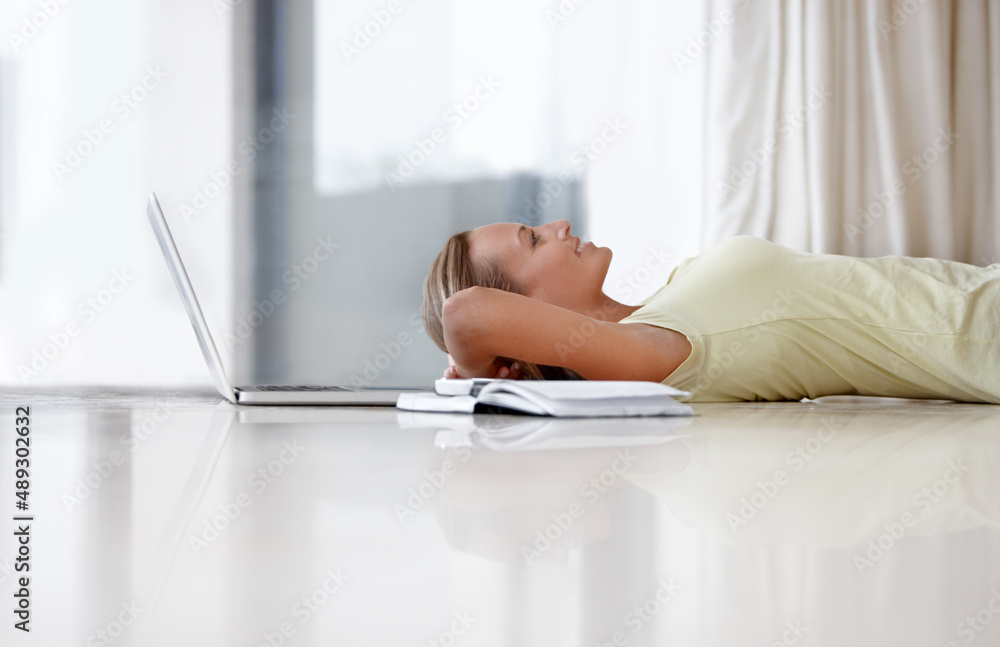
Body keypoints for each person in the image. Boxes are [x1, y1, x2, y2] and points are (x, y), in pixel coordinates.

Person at [422, 219, 1000, 403]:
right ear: (518, 309)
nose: (559, 227)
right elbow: (466, 315)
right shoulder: (656, 350)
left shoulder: (666, 306)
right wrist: (483, 375)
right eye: (533, 239)